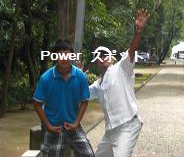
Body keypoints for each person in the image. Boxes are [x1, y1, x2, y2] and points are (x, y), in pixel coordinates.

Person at [89, 8, 150, 157]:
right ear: (96, 61)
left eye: (105, 55)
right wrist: (75, 74)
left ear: (111, 58)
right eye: (99, 56)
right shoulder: (97, 85)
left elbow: (132, 51)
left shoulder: (122, 69)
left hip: (128, 125)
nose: (102, 58)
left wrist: (138, 31)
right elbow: (79, 94)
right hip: (110, 131)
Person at [33, 39, 94, 157]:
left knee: (88, 154)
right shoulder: (46, 78)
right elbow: (37, 104)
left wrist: (76, 123)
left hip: (72, 126)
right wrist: (48, 126)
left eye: (67, 54)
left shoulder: (81, 77)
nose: (64, 58)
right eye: (60, 54)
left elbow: (85, 102)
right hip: (53, 127)